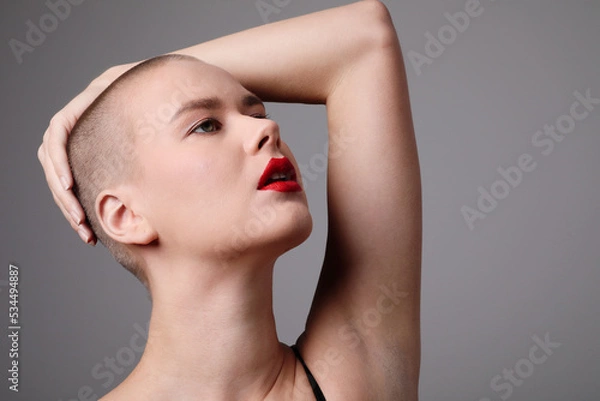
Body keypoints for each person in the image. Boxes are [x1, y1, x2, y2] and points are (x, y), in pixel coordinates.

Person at [38, 1, 423, 400]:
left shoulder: (352, 374)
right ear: (125, 215)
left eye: (256, 113)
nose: (268, 128)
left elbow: (363, 41)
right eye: (206, 125)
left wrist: (129, 75)